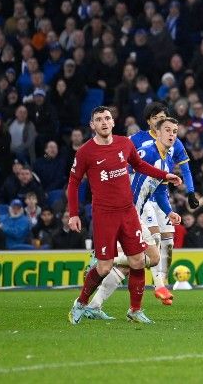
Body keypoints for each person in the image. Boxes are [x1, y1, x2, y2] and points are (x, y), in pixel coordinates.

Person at [66, 106, 182, 325]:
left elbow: (139, 166)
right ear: (92, 125)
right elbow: (73, 183)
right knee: (104, 267)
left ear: (113, 122)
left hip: (128, 213)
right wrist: (73, 213)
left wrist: (165, 175)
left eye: (107, 118)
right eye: (99, 119)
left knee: (138, 261)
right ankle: (80, 304)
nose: (104, 122)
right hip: (104, 216)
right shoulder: (85, 152)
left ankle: (135, 310)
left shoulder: (124, 144)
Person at [130, 103, 198, 303]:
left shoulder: (173, 142)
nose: (161, 122)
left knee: (169, 238)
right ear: (149, 121)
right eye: (157, 119)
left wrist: (191, 192)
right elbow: (124, 163)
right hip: (140, 200)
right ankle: (157, 283)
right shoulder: (138, 141)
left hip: (159, 194)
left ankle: (163, 282)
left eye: (164, 118)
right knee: (154, 239)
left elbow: (184, 168)